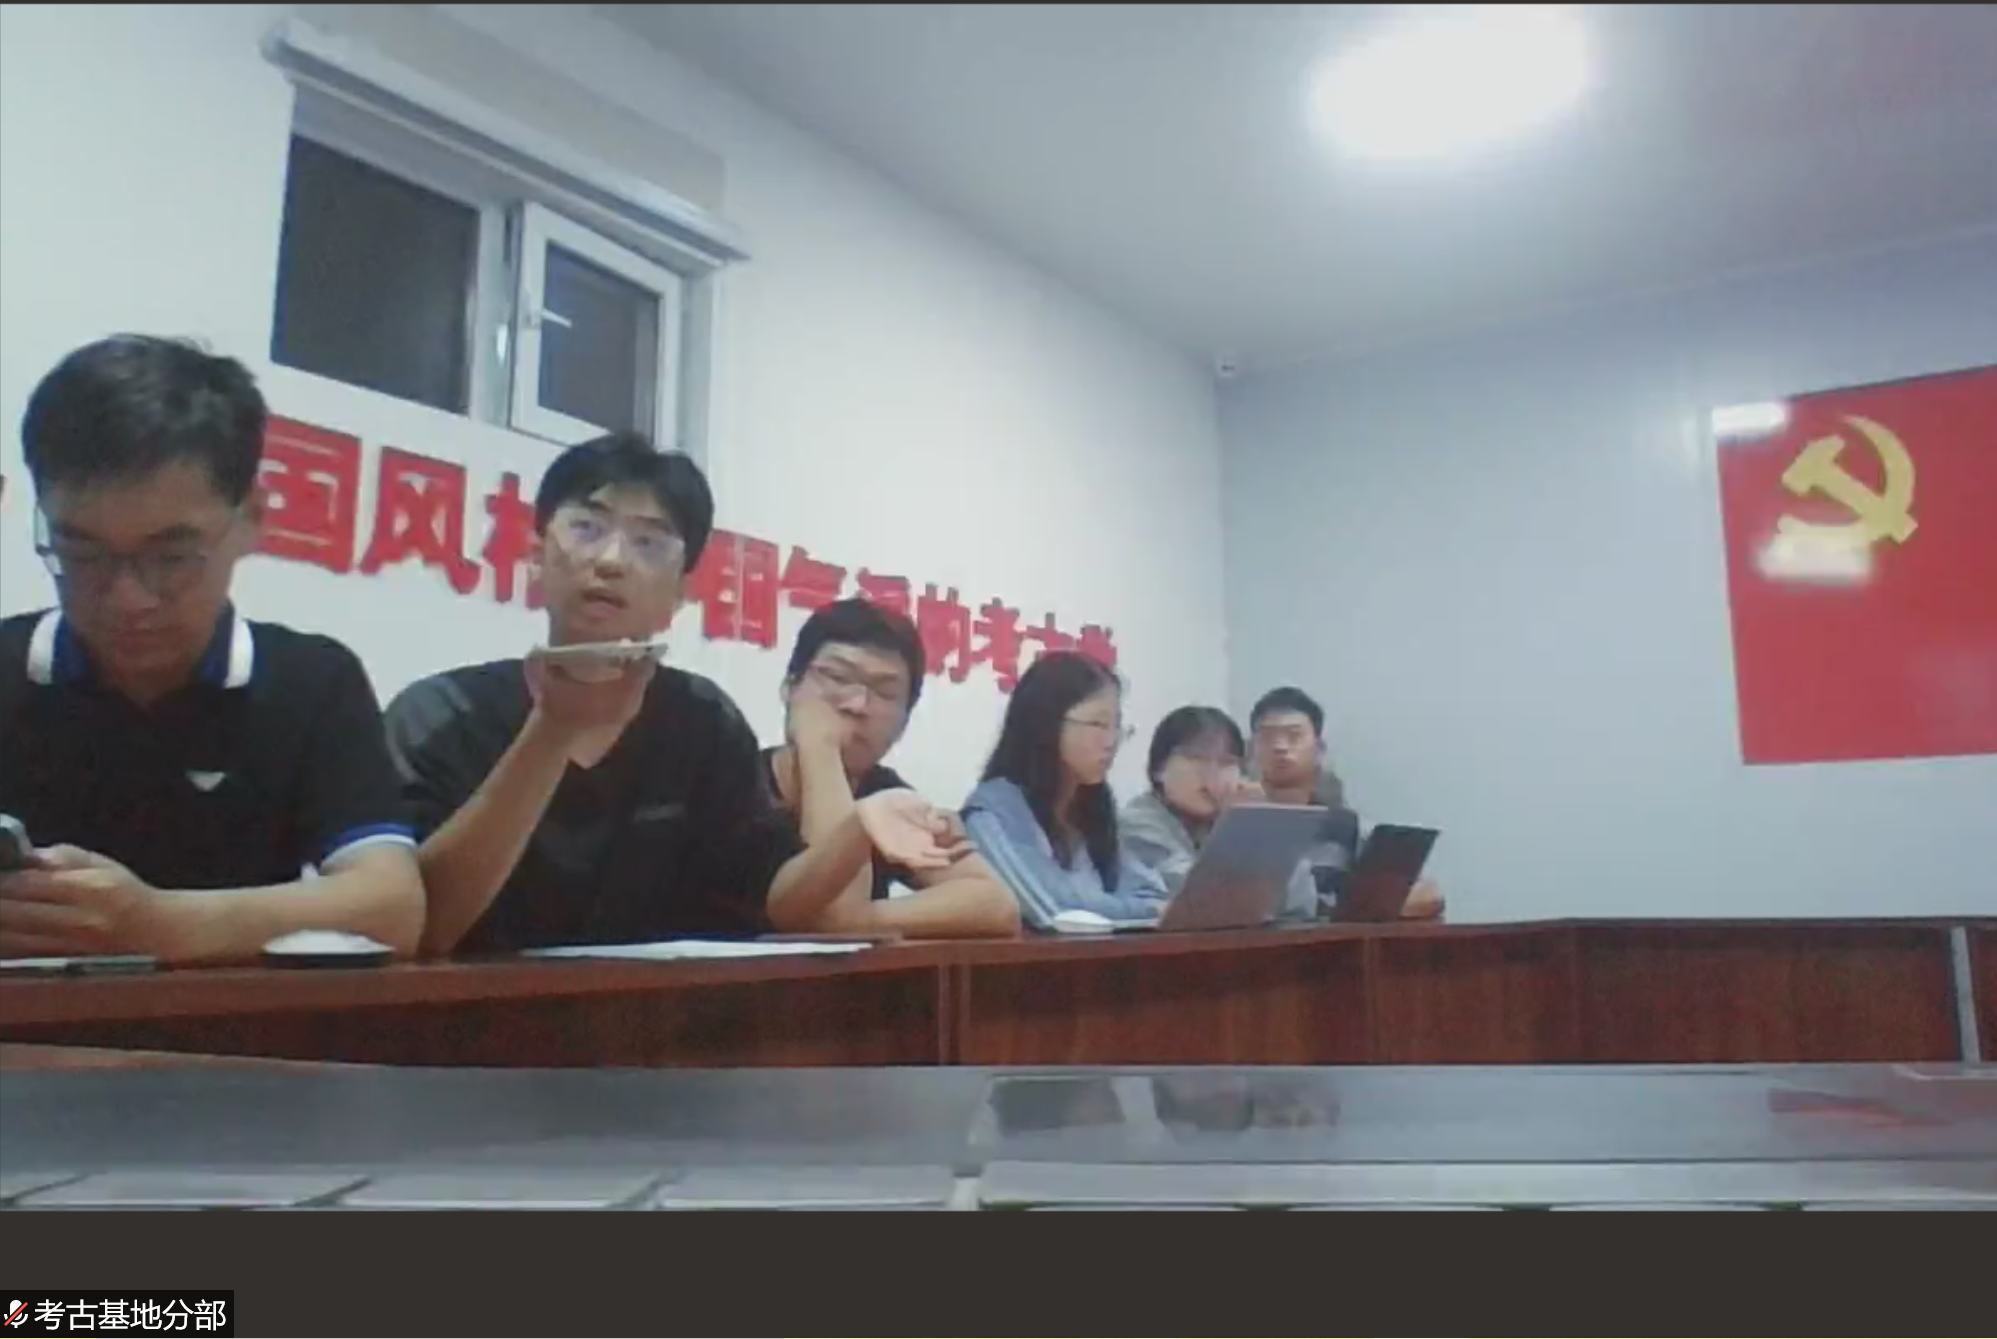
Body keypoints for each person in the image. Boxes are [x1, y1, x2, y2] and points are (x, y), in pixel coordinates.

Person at [384, 433, 954, 956]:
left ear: (681, 593)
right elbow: (419, 926)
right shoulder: (439, 714)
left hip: (662, 1025)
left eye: (648, 543)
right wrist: (554, 728)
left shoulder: (704, 722)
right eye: (587, 528)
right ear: (537, 557)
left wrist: (858, 829)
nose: (610, 561)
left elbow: (777, 900)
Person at [0, 335, 424, 963]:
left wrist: (158, 924)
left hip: (231, 1028)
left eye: (170, 557)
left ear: (252, 517)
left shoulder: (311, 683)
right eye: (82, 554)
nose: (127, 598)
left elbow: (392, 907)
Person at [763, 599, 1020, 938]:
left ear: (905, 722)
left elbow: (997, 906)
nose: (857, 704)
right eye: (837, 676)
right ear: (789, 687)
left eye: (885, 693)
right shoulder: (736, 778)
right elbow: (833, 904)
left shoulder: (885, 792)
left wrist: (860, 921)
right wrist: (820, 749)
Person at [962, 651, 1169, 929]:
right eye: (1098, 724)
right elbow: (1055, 909)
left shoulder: (1089, 810)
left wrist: (1148, 908)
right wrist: (1146, 910)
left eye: (1117, 726)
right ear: (1046, 723)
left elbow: (1153, 893)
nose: (1112, 741)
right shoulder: (995, 810)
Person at [1249, 686, 1443, 920]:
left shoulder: (1349, 829)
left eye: (1294, 736)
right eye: (1267, 737)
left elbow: (1429, 894)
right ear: (1252, 750)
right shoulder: (1232, 829)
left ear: (1319, 749)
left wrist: (1362, 911)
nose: (1280, 747)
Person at [1118, 705, 1316, 918]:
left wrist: (1262, 827)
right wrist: (1236, 832)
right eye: (1196, 757)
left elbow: (1303, 899)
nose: (1212, 773)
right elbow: (1201, 900)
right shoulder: (1137, 824)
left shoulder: (1223, 820)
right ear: (1159, 768)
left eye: (1226, 762)